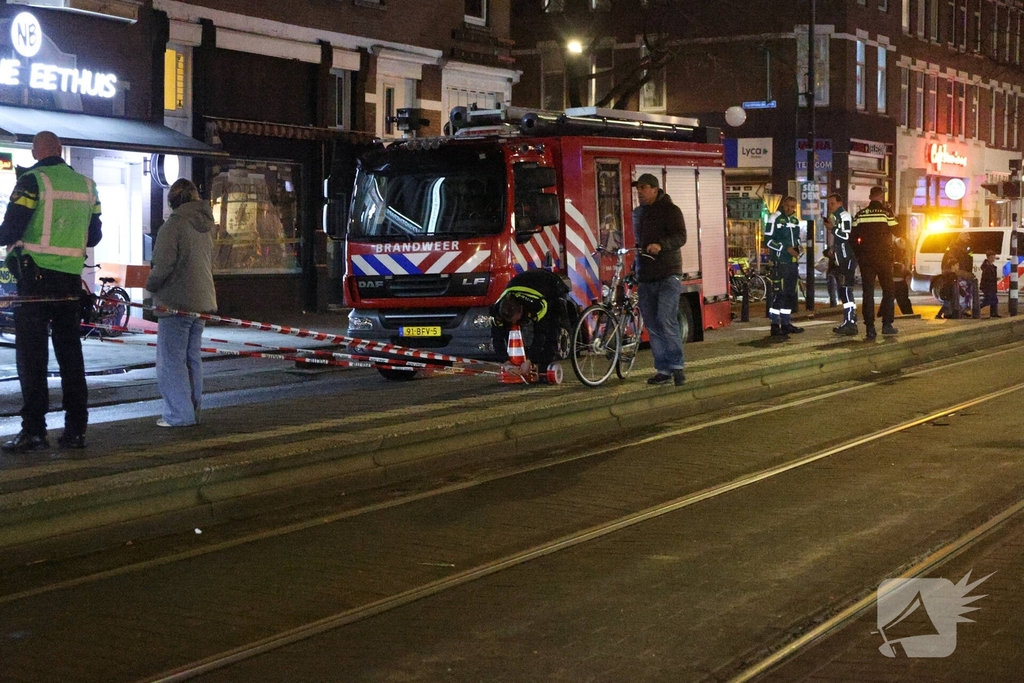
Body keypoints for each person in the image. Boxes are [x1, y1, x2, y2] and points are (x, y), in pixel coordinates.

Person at [0, 131, 102, 452]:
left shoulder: (32, 181)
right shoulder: (87, 186)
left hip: (35, 281)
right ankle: (75, 431)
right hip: (70, 282)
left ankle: (34, 431)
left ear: (36, 152)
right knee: (70, 355)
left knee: (32, 357)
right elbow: (94, 236)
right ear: (60, 149)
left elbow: (9, 230)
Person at [146, 179, 217, 427]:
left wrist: (150, 286)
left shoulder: (173, 225)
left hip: (176, 302)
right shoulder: (207, 226)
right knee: (192, 359)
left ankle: (178, 415)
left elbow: (163, 266)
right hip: (202, 300)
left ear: (172, 201)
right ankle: (192, 412)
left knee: (171, 362)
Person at [631, 172, 687, 386]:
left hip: (668, 274)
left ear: (655, 189)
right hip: (646, 276)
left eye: (644, 188)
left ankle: (677, 367)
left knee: (665, 319)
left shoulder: (670, 210)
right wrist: (634, 267)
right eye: (638, 189)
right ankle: (663, 370)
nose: (639, 192)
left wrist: (661, 245)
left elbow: (681, 236)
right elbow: (639, 244)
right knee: (652, 324)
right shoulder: (639, 214)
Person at [490, 268, 570, 378]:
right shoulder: (496, 310)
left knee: (552, 326)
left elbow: (541, 334)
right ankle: (524, 358)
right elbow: (496, 338)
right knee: (505, 328)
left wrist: (530, 360)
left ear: (521, 310)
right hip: (521, 282)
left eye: (514, 319)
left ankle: (545, 364)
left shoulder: (537, 305)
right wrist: (506, 362)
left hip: (551, 285)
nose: (513, 322)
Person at [851, 186, 900, 339]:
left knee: (868, 293)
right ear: (881, 197)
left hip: (866, 259)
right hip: (884, 258)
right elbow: (899, 231)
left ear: (870, 197)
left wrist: (860, 254)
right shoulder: (886, 213)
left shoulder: (860, 214)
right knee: (888, 291)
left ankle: (870, 328)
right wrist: (891, 212)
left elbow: (852, 238)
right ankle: (887, 325)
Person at [764, 195, 803, 337]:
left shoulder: (795, 220)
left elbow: (797, 239)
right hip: (781, 262)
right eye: (787, 206)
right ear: (783, 205)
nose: (790, 209)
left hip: (792, 263)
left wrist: (799, 248)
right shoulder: (774, 217)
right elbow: (768, 240)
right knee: (779, 294)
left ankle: (786, 324)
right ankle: (775, 325)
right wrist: (785, 249)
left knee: (790, 294)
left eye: (793, 207)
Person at [824, 193, 857, 335]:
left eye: (832, 203)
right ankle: (850, 320)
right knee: (844, 290)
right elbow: (841, 240)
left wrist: (832, 228)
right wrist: (833, 249)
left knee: (845, 290)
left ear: (840, 203)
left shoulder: (844, 216)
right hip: (842, 258)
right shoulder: (836, 217)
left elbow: (846, 235)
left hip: (847, 259)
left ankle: (850, 322)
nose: (830, 206)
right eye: (829, 204)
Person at [980, 249, 1000, 318]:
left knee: (993, 300)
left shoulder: (992, 267)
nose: (993, 259)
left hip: (991, 286)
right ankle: (976, 309)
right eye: (991, 257)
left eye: (994, 257)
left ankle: (994, 313)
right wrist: (995, 279)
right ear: (988, 257)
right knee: (989, 300)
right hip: (988, 286)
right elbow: (986, 277)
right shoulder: (986, 267)